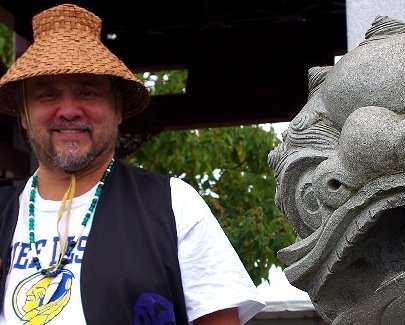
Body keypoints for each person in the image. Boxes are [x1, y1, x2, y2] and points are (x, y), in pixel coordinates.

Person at [0, 3, 265, 324]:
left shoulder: (172, 204)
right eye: (48, 95)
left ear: (118, 110)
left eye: (88, 92)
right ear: (24, 116)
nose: (68, 110)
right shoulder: (3, 213)